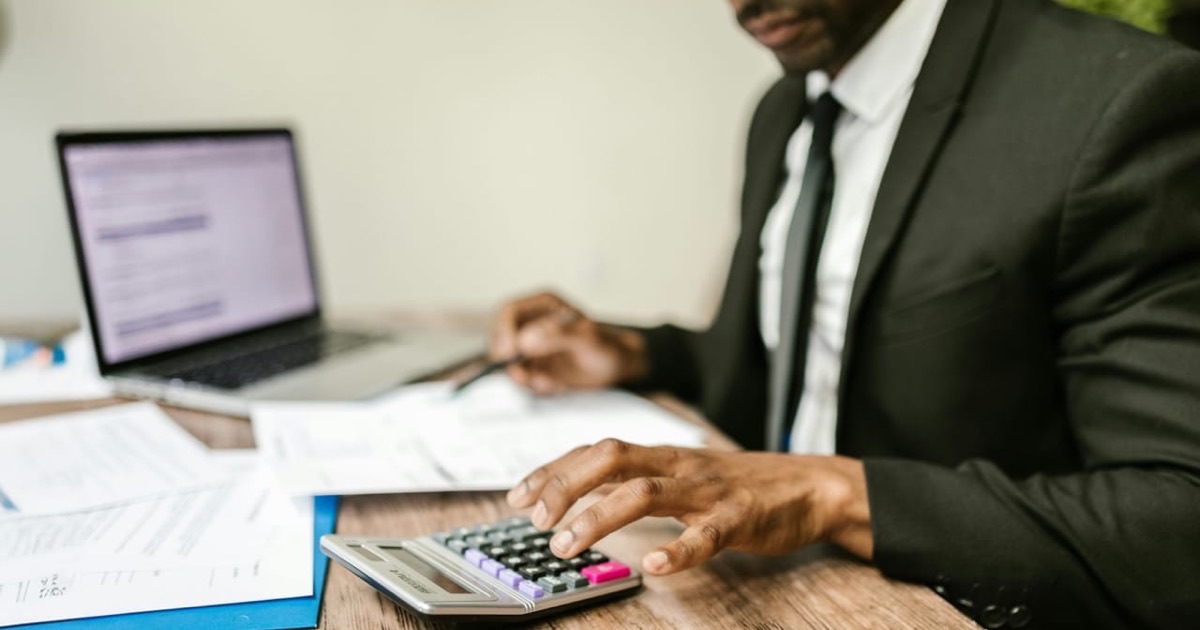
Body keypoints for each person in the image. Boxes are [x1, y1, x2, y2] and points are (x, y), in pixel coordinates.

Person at [488, 0, 1200, 628]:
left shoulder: (1116, 101)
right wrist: (635, 352)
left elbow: (1178, 520)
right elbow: (796, 364)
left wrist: (835, 492)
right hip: (765, 592)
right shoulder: (785, 109)